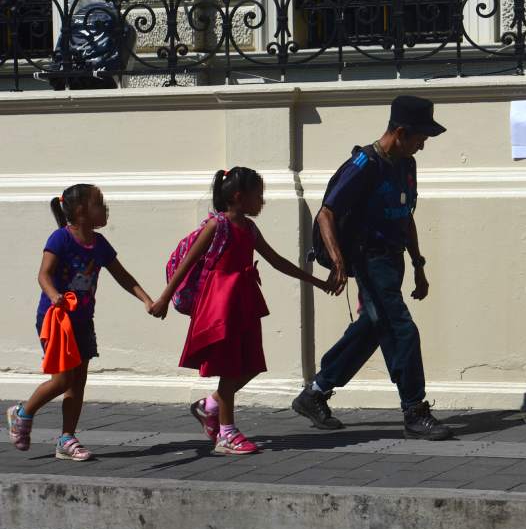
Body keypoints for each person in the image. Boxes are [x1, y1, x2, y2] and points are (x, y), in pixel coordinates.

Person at [292, 95, 453, 441]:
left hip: (393, 260)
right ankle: (414, 409)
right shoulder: (365, 164)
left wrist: (419, 264)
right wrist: (338, 261)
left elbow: (406, 214)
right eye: (420, 138)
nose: (423, 146)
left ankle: (315, 393)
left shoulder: (406, 164)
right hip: (370, 260)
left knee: (371, 329)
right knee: (401, 330)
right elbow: (326, 214)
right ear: (399, 132)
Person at [149, 167, 333, 455]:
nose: (262, 201)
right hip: (220, 302)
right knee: (230, 365)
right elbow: (187, 262)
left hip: (243, 299)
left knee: (250, 363)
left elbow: (276, 261)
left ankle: (209, 406)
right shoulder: (217, 226)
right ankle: (226, 432)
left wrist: (317, 282)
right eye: (258, 195)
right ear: (238, 196)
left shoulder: (249, 228)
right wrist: (164, 298)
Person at [6, 185, 155, 461]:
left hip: (83, 320)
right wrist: (54, 296)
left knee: (79, 381)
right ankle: (22, 412)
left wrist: (146, 300)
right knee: (63, 379)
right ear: (80, 212)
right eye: (99, 203)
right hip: (56, 320)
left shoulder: (100, 245)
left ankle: (66, 438)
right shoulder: (60, 239)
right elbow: (44, 274)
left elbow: (123, 276)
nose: (105, 208)